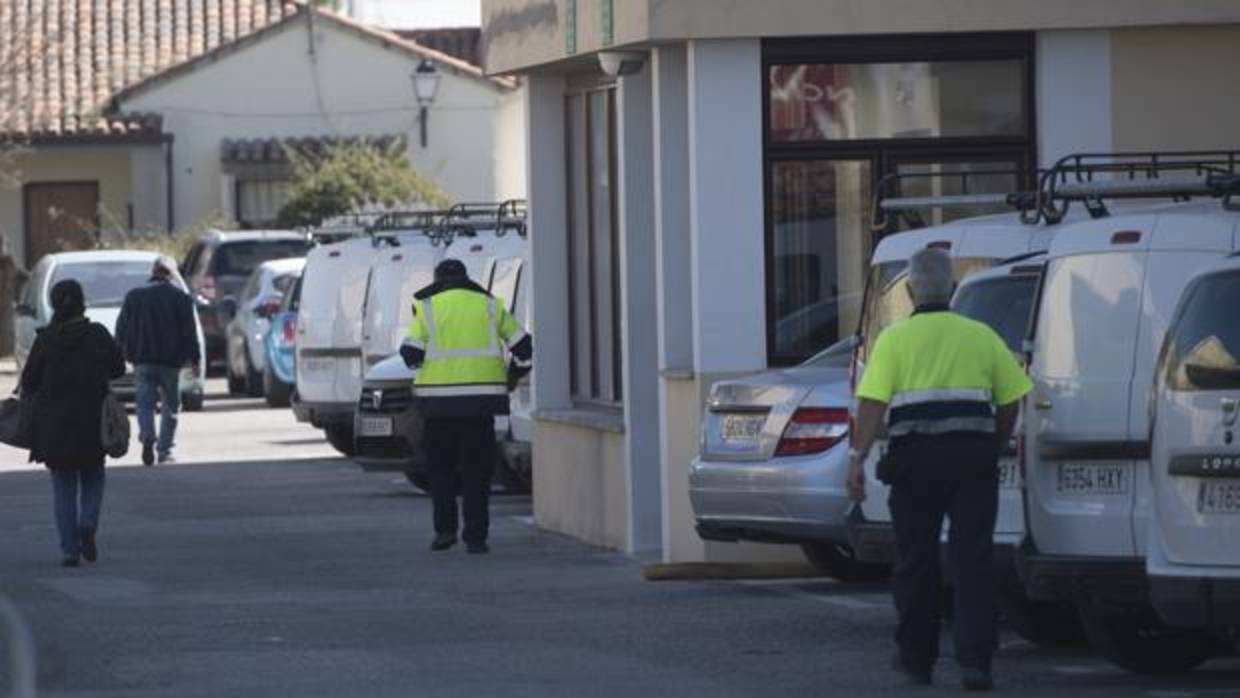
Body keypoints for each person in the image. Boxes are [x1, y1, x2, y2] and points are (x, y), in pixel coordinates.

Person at [847, 248, 1031, 691]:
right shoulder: (981, 335)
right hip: (972, 463)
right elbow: (1012, 397)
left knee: (915, 562)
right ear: (951, 288)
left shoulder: (893, 340)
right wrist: (995, 442)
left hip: (913, 467)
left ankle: (916, 660)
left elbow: (872, 405)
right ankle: (976, 664)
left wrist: (856, 460)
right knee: (973, 562)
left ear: (910, 290)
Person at [400, 259, 532, 555]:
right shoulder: (489, 306)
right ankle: (476, 537)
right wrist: (509, 378)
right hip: (480, 406)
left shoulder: (428, 307)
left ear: (438, 280)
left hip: (438, 409)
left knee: (441, 472)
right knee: (477, 473)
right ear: (466, 278)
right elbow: (525, 350)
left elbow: (411, 355)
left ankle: (445, 531)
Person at [20, 280, 126, 567]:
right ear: (83, 302)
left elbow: (28, 381)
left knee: (63, 487)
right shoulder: (98, 334)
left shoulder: (46, 339)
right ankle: (88, 524)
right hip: (93, 423)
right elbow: (118, 368)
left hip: (54, 427)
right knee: (93, 476)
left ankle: (69, 549)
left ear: (55, 305)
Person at [115, 257, 200, 466]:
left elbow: (121, 329)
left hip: (142, 360)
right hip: (170, 363)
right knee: (171, 407)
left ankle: (147, 436)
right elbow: (190, 333)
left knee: (144, 403)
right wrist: (194, 360)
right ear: (171, 274)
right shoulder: (181, 298)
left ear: (152, 272)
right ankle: (165, 450)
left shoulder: (134, 296)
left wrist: (121, 353)